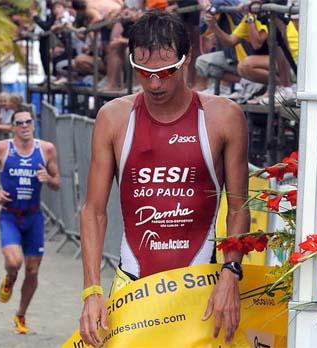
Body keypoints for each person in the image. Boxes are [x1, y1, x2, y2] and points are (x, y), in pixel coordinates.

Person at [79, 10, 250, 346]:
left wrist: (232, 272)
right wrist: (92, 290)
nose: (154, 83)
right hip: (133, 284)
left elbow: (239, 206)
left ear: (186, 61)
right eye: (143, 72)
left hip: (201, 286)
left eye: (165, 72)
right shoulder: (113, 118)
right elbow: (93, 210)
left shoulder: (223, 116)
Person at [0, 109, 61, 334]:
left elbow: (57, 181)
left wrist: (49, 179)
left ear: (34, 125)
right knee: (15, 262)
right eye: (20, 123)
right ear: (13, 127)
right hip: (10, 216)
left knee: (33, 270)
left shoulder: (46, 149)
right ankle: (9, 277)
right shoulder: (1, 148)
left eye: (29, 122)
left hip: (33, 217)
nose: (25, 126)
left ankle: (21, 314)